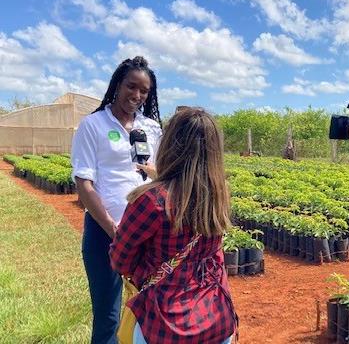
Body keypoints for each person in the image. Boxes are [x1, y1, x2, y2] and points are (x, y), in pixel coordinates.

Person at [109, 107, 238, 344]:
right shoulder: (219, 196)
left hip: (164, 322)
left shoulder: (151, 200)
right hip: (215, 316)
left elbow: (120, 260)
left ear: (169, 145)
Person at [71, 56, 162, 344]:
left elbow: (160, 176)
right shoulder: (93, 125)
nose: (136, 95)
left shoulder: (151, 128)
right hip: (104, 232)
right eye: (131, 86)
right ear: (117, 85)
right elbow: (83, 184)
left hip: (147, 231)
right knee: (108, 315)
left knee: (152, 309)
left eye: (144, 91)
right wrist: (114, 229)